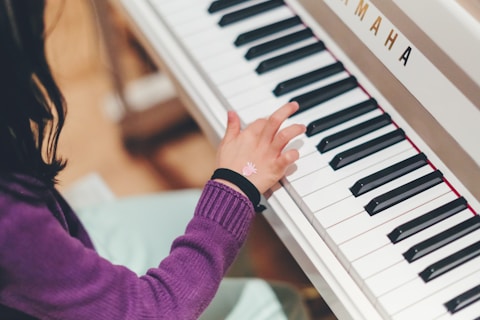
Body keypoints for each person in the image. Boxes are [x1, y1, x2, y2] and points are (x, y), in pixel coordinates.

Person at [0, 0, 309, 319]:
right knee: (280, 302)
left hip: (58, 242)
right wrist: (237, 183)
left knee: (209, 218)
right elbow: (152, 311)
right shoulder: (8, 214)